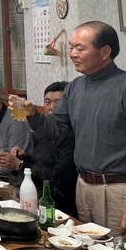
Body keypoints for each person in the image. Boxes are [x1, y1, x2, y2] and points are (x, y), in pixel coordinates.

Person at [24, 21, 126, 250]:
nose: (72, 54)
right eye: (71, 47)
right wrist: (33, 114)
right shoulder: (75, 88)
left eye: (80, 48)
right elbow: (55, 130)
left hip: (120, 191)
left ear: (105, 51)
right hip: (84, 187)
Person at [8, 81, 77, 217]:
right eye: (47, 102)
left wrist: (20, 165)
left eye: (58, 103)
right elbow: (40, 163)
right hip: (36, 200)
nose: (52, 107)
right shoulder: (45, 133)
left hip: (59, 208)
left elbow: (60, 181)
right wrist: (23, 157)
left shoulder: (72, 136)